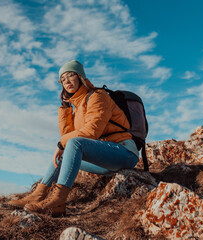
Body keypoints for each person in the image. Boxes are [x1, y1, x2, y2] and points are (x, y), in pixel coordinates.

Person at [8, 60, 139, 216]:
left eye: (70, 75)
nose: (66, 81)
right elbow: (67, 136)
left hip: (123, 152)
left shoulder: (98, 96)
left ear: (80, 77)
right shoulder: (78, 107)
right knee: (67, 150)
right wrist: (65, 108)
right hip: (105, 160)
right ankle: (38, 195)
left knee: (73, 144)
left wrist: (60, 144)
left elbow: (91, 133)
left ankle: (58, 200)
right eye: (62, 79)